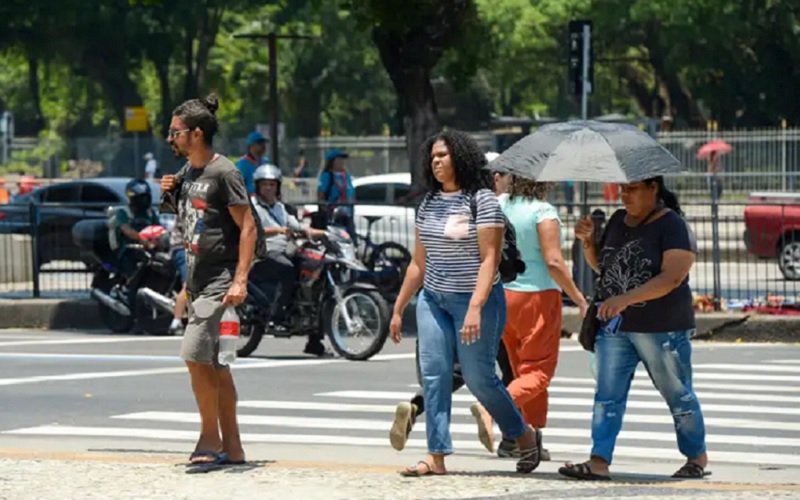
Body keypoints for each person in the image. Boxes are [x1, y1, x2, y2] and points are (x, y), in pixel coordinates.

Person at [389, 130, 539, 477]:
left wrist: (475, 307)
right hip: (434, 299)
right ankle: (436, 455)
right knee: (435, 375)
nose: (436, 161)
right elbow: (417, 263)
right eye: (432, 157)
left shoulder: (482, 201)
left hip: (478, 301)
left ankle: (523, 434)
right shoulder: (427, 203)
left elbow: (489, 260)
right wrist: (397, 309)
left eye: (443, 155)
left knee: (478, 377)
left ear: (461, 157)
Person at [559, 176, 709, 481]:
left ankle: (696, 456)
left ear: (653, 188)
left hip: (661, 327)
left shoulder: (673, 225)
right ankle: (599, 460)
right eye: (622, 189)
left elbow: (673, 277)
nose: (624, 195)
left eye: (632, 189)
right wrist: (588, 243)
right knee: (607, 395)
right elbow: (606, 266)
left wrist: (626, 299)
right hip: (616, 327)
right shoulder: (617, 220)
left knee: (678, 394)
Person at [161, 93, 257, 468]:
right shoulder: (188, 173)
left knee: (194, 355)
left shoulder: (224, 173)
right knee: (216, 364)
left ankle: (209, 437)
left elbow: (247, 226)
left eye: (176, 132)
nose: (170, 139)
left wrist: (240, 279)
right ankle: (232, 446)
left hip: (221, 280)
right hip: (199, 280)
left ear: (196, 134)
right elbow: (189, 229)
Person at [471, 176, 588, 460]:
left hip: (502, 295)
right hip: (538, 295)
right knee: (538, 371)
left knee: (522, 370)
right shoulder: (543, 212)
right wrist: (579, 298)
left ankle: (531, 435)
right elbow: (553, 262)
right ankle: (492, 408)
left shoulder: (497, 204)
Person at [249, 164, 328, 356]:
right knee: (287, 268)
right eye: (265, 185)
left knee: (316, 273)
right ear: (258, 186)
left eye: (272, 184)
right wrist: (278, 230)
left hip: (285, 250)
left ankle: (314, 340)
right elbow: (252, 230)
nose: (269, 188)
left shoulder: (281, 208)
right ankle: (277, 316)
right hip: (263, 253)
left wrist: (326, 233)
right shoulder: (252, 208)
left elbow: (300, 227)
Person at [112, 179, 160, 278]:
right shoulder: (124, 212)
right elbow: (126, 230)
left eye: (146, 197)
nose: (144, 201)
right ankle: (129, 288)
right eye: (141, 198)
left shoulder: (150, 213)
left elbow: (158, 228)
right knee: (132, 269)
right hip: (128, 250)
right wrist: (141, 239)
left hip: (149, 249)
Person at [317, 148, 355, 240]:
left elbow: (351, 192)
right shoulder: (327, 176)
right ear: (332, 161)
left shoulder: (346, 176)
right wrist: (326, 211)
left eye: (342, 159)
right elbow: (321, 195)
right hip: (333, 217)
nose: (342, 161)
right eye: (339, 159)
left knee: (351, 240)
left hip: (347, 215)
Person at [168, 219, 189, 335]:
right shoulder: (187, 207)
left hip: (196, 249)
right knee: (188, 285)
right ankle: (176, 322)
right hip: (182, 249)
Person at [236, 131, 269, 195]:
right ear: (251, 145)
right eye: (259, 143)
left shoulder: (266, 162)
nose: (263, 145)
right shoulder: (243, 164)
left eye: (264, 143)